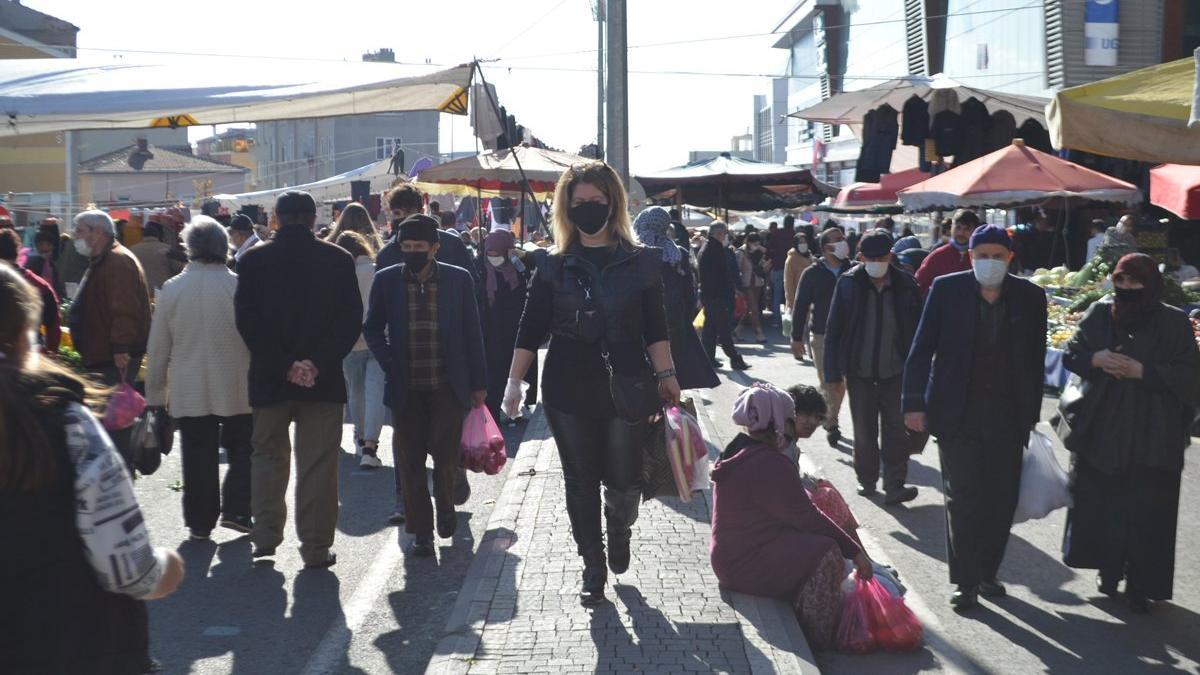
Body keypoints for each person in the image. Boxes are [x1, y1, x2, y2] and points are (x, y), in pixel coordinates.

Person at [501, 161, 681, 606]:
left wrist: (668, 376)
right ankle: (592, 565)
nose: (587, 208)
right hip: (567, 387)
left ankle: (619, 528)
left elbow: (656, 327)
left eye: (596, 201)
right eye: (578, 201)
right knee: (579, 480)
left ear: (613, 203)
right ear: (566, 207)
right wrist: (513, 383)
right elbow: (529, 327)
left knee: (624, 480)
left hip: (628, 384)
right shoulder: (551, 265)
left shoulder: (641, 261)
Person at [0, 264, 185, 674]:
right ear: (26, 334)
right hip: (80, 647)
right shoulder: (66, 422)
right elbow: (127, 566)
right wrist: (167, 567)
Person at [903, 224, 1047, 608]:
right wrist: (913, 403)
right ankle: (966, 582)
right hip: (956, 415)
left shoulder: (1030, 297)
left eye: (997, 256)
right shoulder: (946, 290)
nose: (990, 262)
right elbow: (921, 349)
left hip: (1008, 417)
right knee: (964, 498)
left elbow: (1035, 360)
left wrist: (1030, 415)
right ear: (970, 257)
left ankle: (987, 573)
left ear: (1010, 258)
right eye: (982, 256)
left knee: (1000, 500)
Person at [1059, 253, 1200, 613]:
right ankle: (1108, 570)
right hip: (1103, 429)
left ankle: (1140, 582)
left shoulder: (1173, 322)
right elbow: (1072, 354)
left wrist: (1144, 372)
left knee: (1147, 509)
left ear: (1150, 284)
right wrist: (1097, 359)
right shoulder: (1100, 313)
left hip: (1155, 433)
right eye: (1120, 280)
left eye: (1134, 281)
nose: (1126, 287)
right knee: (1103, 503)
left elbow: (1190, 375)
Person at [234, 191, 362, 568]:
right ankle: (316, 546)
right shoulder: (338, 259)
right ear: (312, 219)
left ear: (275, 219)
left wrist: (285, 364)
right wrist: (315, 363)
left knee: (268, 458)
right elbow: (349, 320)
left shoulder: (253, 261)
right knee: (318, 465)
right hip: (323, 380)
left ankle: (265, 536)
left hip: (269, 378)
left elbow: (248, 323)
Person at [709, 383, 870, 651]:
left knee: (816, 539)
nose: (793, 425)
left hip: (731, 555)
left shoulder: (739, 448)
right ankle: (818, 637)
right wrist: (855, 552)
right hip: (742, 563)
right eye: (789, 418)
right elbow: (809, 518)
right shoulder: (771, 462)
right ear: (776, 421)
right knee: (827, 551)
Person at [365, 214, 487, 557]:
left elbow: (472, 332)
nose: (413, 252)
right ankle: (421, 531)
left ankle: (446, 507)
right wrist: (389, 362)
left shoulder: (458, 279)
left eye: (419, 246)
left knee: (446, 456)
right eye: (406, 247)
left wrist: (479, 383)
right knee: (410, 462)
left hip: (448, 386)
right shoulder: (387, 280)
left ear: (435, 248)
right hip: (405, 388)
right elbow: (372, 328)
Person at [145, 217, 254, 539]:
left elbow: (158, 349)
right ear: (224, 247)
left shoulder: (172, 289)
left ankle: (200, 522)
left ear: (189, 247)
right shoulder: (238, 286)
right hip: (236, 383)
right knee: (244, 450)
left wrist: (155, 397)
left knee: (197, 455)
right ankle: (237, 508)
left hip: (189, 386)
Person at [377, 186, 475, 513]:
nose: (402, 219)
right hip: (407, 370)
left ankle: (451, 476)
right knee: (407, 446)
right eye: (396, 214)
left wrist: (475, 373)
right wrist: (390, 360)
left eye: (406, 212)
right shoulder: (389, 255)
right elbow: (378, 316)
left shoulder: (452, 246)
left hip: (448, 368)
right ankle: (406, 502)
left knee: (445, 438)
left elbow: (472, 307)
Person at [824, 229, 921, 504]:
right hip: (859, 372)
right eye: (871, 258)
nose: (877, 263)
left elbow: (918, 332)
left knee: (896, 431)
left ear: (890, 256)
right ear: (861, 257)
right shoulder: (848, 283)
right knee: (864, 431)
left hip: (896, 372)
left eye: (882, 257)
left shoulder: (906, 285)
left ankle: (895, 485)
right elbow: (834, 330)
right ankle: (866, 479)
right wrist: (832, 374)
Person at [67, 210, 152, 467]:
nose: (75, 236)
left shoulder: (116, 261)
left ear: (98, 233)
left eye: (80, 231)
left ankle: (119, 473)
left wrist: (120, 347)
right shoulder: (104, 259)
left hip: (113, 357)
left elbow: (124, 309)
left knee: (115, 423)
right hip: (103, 355)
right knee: (109, 423)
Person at [633, 206, 719, 390]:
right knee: (674, 375)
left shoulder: (634, 252)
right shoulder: (678, 252)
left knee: (647, 379)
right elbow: (689, 293)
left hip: (641, 324)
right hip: (675, 320)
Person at [791, 227, 851, 448]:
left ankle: (830, 417)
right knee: (828, 381)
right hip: (821, 336)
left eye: (843, 238)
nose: (844, 242)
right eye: (838, 239)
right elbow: (800, 306)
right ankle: (831, 423)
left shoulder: (853, 270)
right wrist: (796, 338)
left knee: (841, 384)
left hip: (849, 336)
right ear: (827, 247)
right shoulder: (812, 273)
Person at [335, 231, 387, 470]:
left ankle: (360, 436)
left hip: (349, 341)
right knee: (375, 393)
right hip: (377, 338)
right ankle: (370, 446)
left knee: (356, 393)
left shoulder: (338, 274)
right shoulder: (376, 271)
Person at [475, 228, 538, 422]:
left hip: (517, 329)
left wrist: (520, 256)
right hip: (491, 332)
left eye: (498, 254)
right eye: (490, 254)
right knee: (495, 372)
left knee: (518, 370)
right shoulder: (480, 269)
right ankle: (494, 411)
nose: (493, 258)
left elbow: (537, 266)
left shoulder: (519, 268)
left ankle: (516, 409)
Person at [378, 184, 476, 281]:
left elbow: (471, 282)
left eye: (408, 212)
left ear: (421, 211)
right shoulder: (386, 254)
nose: (403, 217)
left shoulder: (451, 244)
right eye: (397, 213)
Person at [699, 221, 750, 370]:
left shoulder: (707, 247)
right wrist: (728, 293)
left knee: (710, 329)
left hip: (710, 296)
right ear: (719, 233)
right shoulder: (714, 250)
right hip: (718, 297)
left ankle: (708, 358)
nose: (726, 236)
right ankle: (735, 358)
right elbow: (720, 276)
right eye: (725, 233)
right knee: (723, 329)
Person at [0, 229, 60, 353]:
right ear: (17, 252)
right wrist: (49, 354)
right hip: (28, 354)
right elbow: (53, 325)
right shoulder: (40, 285)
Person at [914, 208, 978, 296]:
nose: (961, 232)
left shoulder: (979, 257)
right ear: (951, 228)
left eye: (967, 229)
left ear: (974, 231)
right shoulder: (937, 257)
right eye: (958, 227)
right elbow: (919, 286)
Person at [128, 222, 185, 298]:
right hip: (163, 292)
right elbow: (179, 269)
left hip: (141, 293)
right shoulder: (167, 249)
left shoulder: (132, 250)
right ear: (158, 236)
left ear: (143, 236)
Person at [784, 232, 814, 360]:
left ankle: (812, 351)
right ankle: (798, 351)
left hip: (811, 296)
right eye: (800, 242)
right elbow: (788, 282)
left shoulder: (810, 256)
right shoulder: (791, 259)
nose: (803, 244)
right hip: (797, 297)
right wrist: (790, 301)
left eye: (804, 242)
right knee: (798, 327)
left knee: (810, 326)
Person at [734, 232, 768, 343]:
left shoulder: (760, 252)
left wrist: (764, 265)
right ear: (749, 242)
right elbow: (737, 269)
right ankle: (758, 332)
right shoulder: (741, 252)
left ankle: (738, 330)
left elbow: (763, 262)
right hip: (746, 283)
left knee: (749, 309)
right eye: (755, 243)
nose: (756, 246)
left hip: (757, 282)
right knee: (754, 309)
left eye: (758, 243)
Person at [766, 215, 797, 326]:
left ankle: (776, 319)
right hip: (792, 269)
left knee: (777, 295)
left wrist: (771, 260)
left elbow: (768, 248)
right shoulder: (794, 235)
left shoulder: (777, 233)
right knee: (792, 295)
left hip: (777, 267)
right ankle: (792, 319)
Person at [25, 228, 65, 299]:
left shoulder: (52, 263)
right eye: (41, 244)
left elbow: (57, 284)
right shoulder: (33, 262)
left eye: (49, 245)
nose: (45, 247)